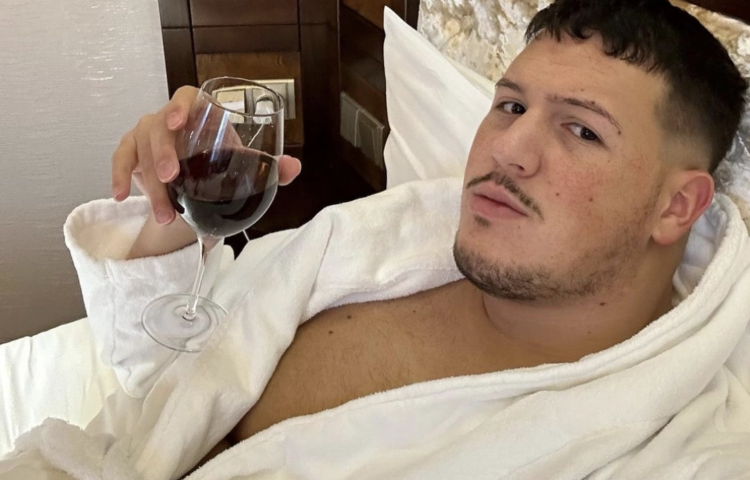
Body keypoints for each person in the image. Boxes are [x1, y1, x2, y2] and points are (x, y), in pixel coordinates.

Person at [39, 0, 750, 475]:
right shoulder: (382, 239)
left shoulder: (684, 453)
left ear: (676, 206)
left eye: (582, 129)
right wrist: (167, 211)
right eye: (510, 106)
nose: (506, 150)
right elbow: (160, 378)